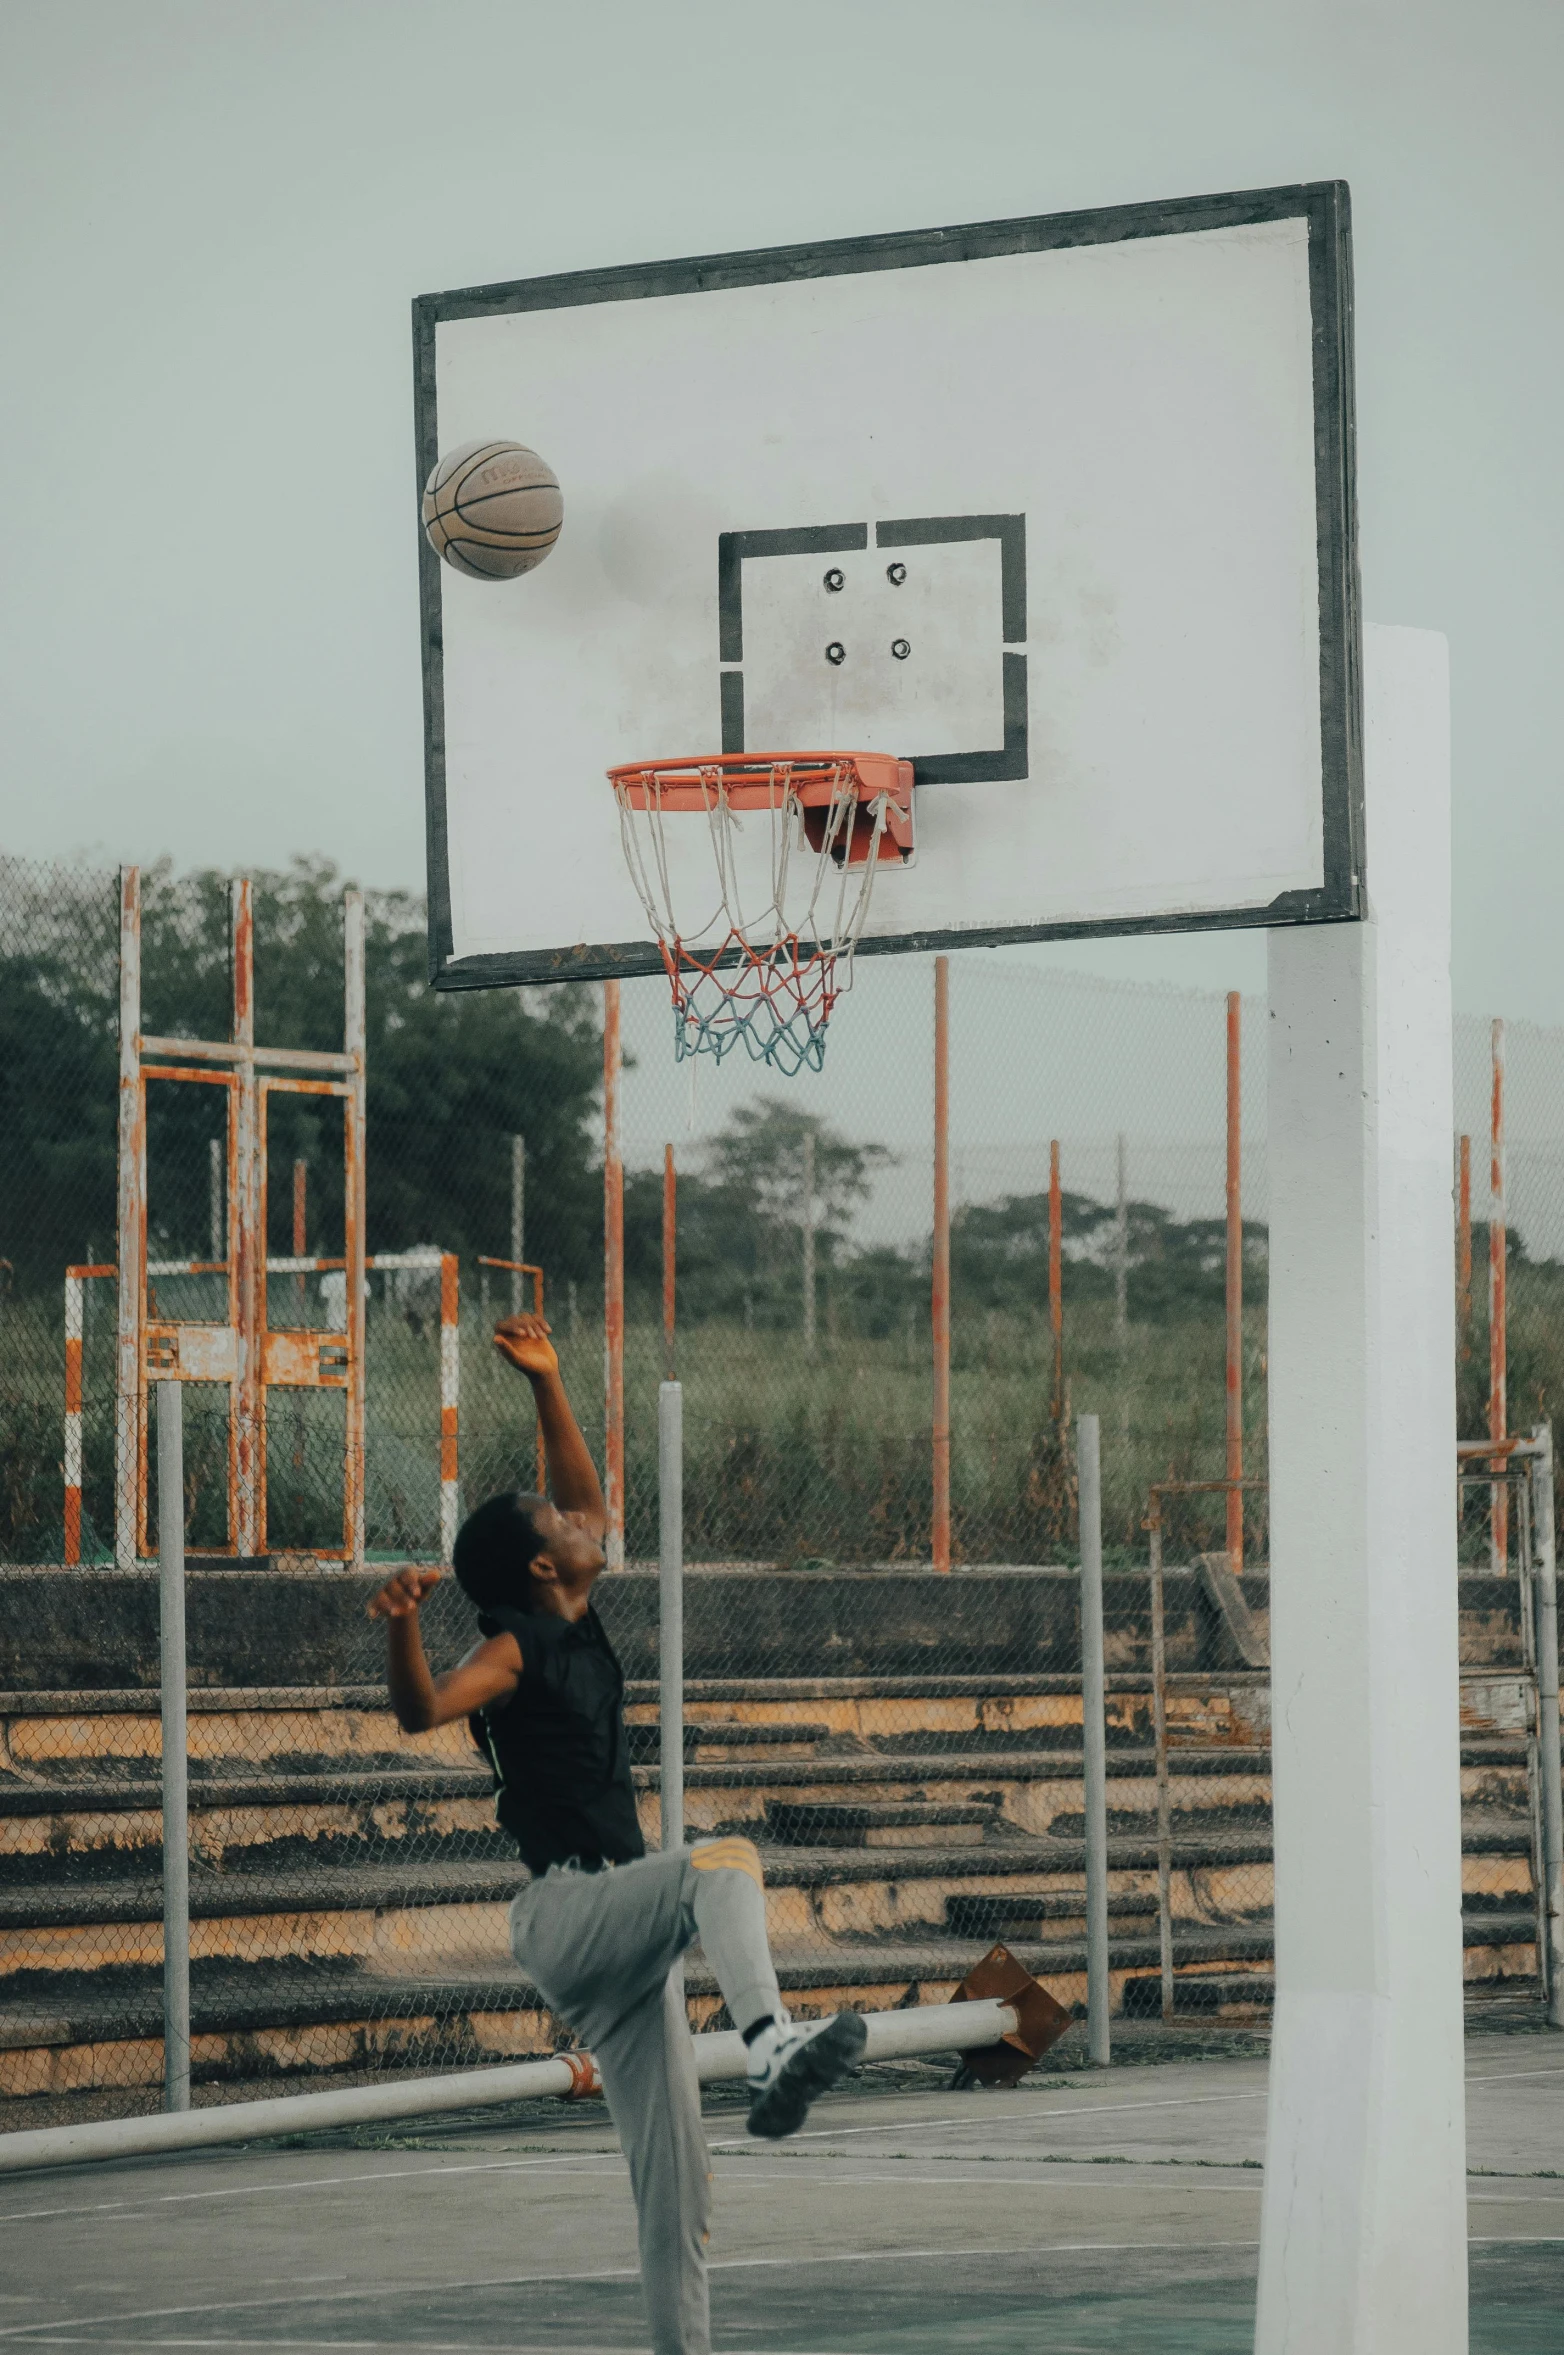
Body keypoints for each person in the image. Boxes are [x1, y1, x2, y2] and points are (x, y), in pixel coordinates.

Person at [369, 1309, 865, 2355]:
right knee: (722, 1861)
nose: (583, 1519)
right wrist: (406, 1625)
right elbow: (421, 1713)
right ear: (543, 1568)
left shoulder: (573, 1616)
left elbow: (588, 1498)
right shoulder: (513, 1649)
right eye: (554, 1520)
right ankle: (770, 2046)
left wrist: (548, 1381)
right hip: (567, 1912)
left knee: (677, 2194)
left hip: (617, 1940)